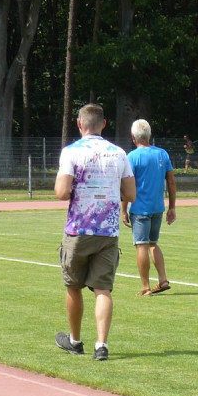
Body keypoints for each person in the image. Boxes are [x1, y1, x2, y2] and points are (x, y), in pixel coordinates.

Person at [53, 103, 136, 362]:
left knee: (73, 286)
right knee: (103, 290)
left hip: (78, 229)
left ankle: (75, 341)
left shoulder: (71, 152)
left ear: (80, 124)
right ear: (104, 124)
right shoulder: (119, 153)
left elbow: (61, 192)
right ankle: (102, 345)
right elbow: (131, 194)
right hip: (108, 231)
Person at [123, 119, 176, 296]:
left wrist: (123, 209)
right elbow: (171, 181)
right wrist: (172, 207)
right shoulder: (162, 154)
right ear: (149, 135)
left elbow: (128, 186)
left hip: (139, 209)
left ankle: (145, 286)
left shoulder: (132, 157)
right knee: (153, 243)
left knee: (142, 245)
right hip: (157, 208)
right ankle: (163, 279)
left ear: (133, 137)